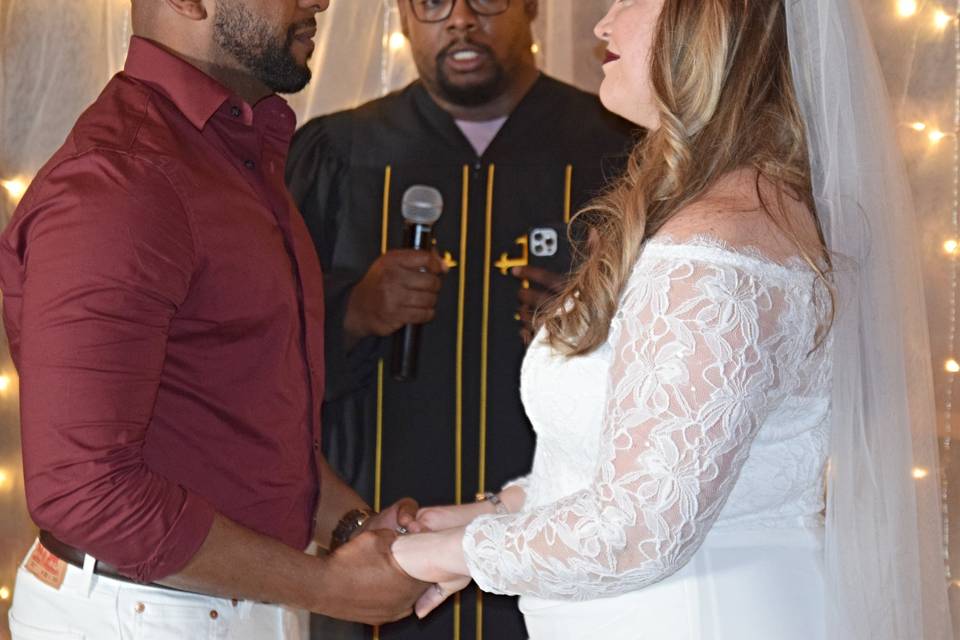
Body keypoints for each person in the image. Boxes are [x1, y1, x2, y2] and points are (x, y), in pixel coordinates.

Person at [390, 0, 954, 638]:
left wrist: (415, 560)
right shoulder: (742, 208)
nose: (604, 24)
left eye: (629, 0)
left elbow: (636, 532)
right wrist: (488, 515)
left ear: (710, 24)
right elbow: (642, 458)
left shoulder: (713, 254)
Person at [0, 1, 430, 639]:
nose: (321, 1)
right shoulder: (123, 178)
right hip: (140, 615)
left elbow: (239, 427)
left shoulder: (229, 153)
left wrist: (353, 528)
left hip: (224, 601)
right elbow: (83, 489)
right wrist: (331, 586)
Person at [285, 1, 634, 638]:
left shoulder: (616, 148)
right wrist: (354, 312)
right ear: (400, 17)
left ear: (533, 7)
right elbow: (264, 361)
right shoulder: (340, 152)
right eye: (432, 2)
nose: (461, 20)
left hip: (564, 552)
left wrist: (598, 329)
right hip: (385, 550)